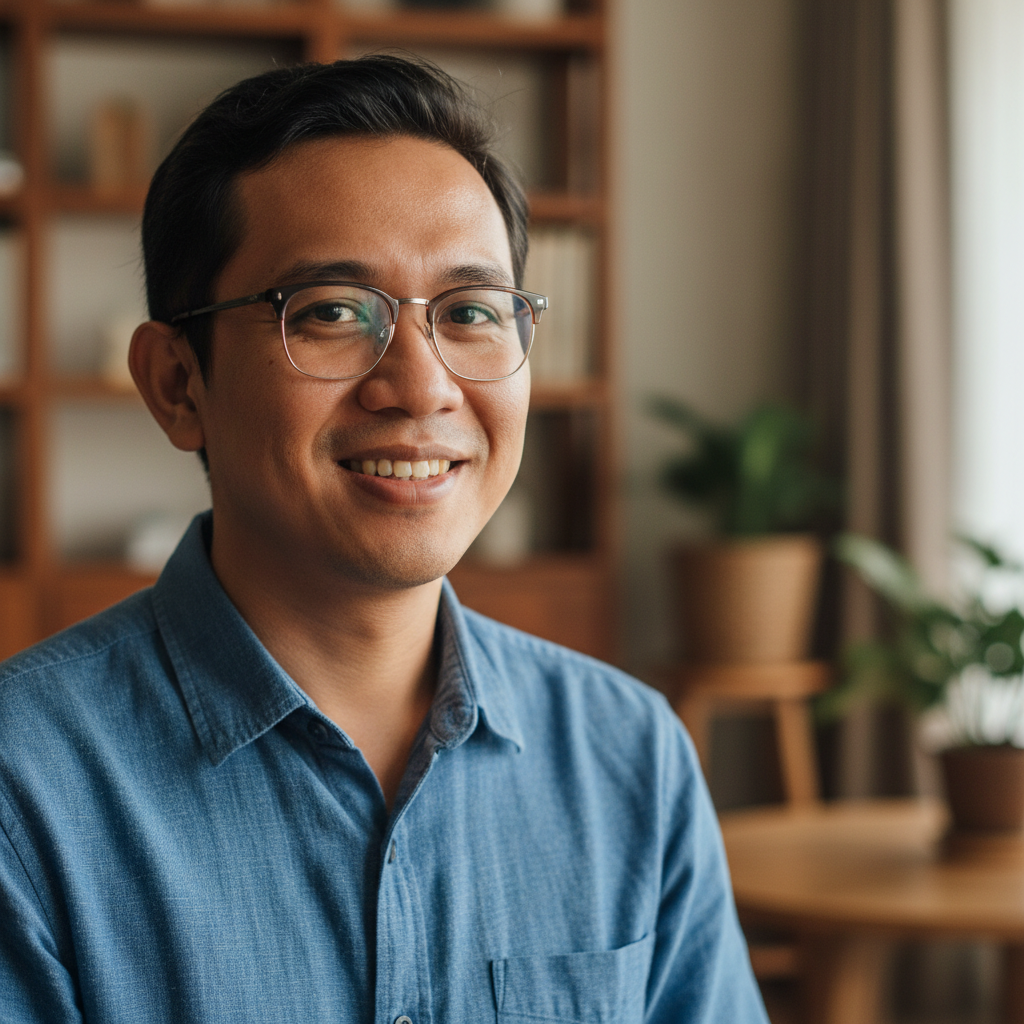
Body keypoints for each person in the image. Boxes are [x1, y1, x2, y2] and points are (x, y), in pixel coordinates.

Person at [0, 56, 767, 1022]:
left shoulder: (629, 758)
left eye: (473, 313)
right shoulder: (24, 790)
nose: (421, 385)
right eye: (328, 313)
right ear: (177, 384)